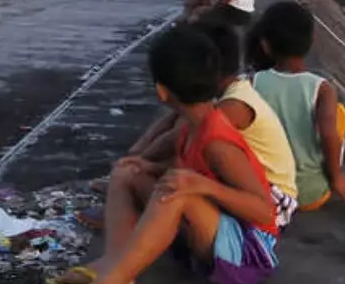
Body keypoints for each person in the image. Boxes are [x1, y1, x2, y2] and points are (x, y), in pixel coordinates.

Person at [43, 26, 281, 284]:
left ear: (162, 91)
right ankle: (115, 269)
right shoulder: (188, 125)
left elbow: (264, 211)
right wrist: (148, 167)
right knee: (128, 172)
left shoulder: (218, 141)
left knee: (176, 192)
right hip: (215, 234)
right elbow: (157, 161)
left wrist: (203, 185)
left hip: (248, 254)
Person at [72, 23, 296, 232]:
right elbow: (172, 123)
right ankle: (128, 216)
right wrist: (139, 156)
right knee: (166, 166)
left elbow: (176, 136)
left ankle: (127, 219)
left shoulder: (232, 108)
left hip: (274, 197)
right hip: (251, 186)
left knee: (169, 187)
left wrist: (145, 163)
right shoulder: (217, 102)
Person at [249, 2, 345, 210]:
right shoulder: (321, 88)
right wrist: (337, 178)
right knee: (339, 114)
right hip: (309, 195)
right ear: (311, 42)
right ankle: (334, 170)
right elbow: (329, 136)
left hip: (266, 192)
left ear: (265, 45)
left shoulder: (253, 83)